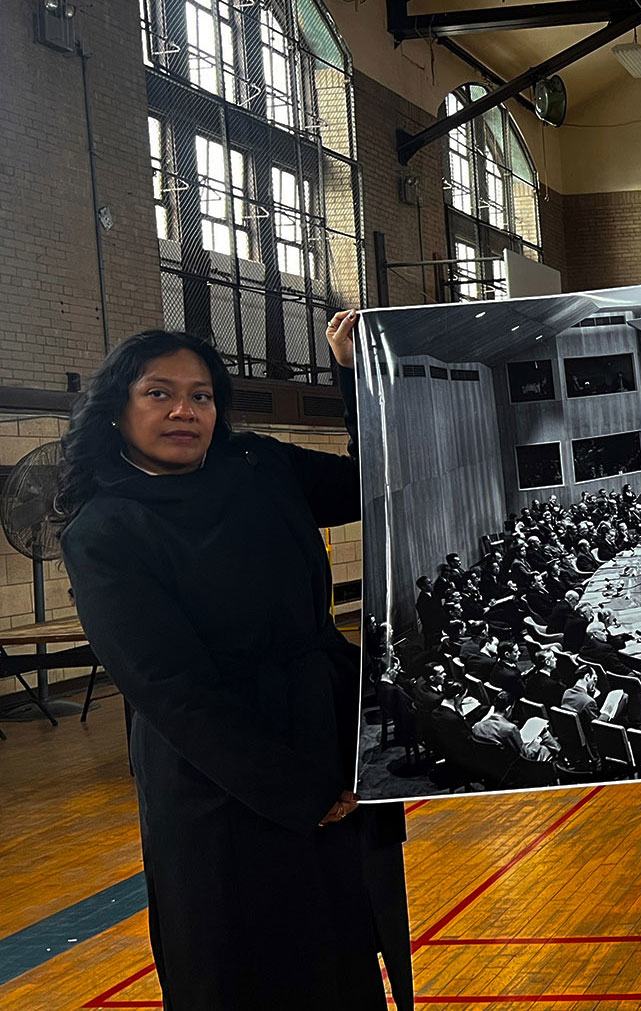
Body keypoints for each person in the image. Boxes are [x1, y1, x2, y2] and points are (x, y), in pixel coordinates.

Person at [58, 318, 413, 1010]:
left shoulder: (257, 465)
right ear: (118, 409)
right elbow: (173, 691)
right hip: (222, 784)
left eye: (201, 395)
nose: (184, 411)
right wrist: (303, 792)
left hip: (324, 738)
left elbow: (381, 475)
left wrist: (355, 373)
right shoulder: (103, 532)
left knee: (342, 961)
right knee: (243, 967)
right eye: (159, 393)